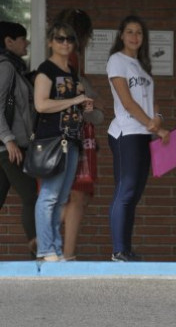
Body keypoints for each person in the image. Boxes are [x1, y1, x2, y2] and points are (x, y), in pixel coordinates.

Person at [106, 15, 169, 262]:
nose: (134, 37)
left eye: (139, 33)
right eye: (130, 32)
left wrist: (159, 118)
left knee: (134, 194)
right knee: (125, 189)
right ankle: (118, 250)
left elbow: (152, 101)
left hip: (144, 134)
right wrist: (155, 127)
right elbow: (127, 102)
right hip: (126, 133)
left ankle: (126, 249)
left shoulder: (142, 66)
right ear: (121, 35)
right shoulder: (116, 61)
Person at [33, 22, 94, 261]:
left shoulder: (71, 72)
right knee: (48, 196)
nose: (66, 43)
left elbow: (72, 105)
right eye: (60, 39)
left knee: (61, 198)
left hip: (72, 140)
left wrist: (83, 105)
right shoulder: (45, 70)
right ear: (50, 42)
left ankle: (56, 249)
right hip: (52, 141)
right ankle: (45, 248)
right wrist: (73, 100)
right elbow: (41, 105)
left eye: (70, 39)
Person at [55, 9, 105, 261]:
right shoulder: (71, 58)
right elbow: (78, 92)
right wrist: (91, 99)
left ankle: (46, 237)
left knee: (71, 194)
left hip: (59, 131)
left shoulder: (59, 57)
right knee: (78, 193)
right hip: (75, 131)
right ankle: (67, 252)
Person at [0, 21, 38, 257]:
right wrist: (9, 140)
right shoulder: (5, 67)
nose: (27, 43)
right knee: (31, 196)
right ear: (9, 42)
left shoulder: (15, 68)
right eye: (23, 38)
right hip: (8, 148)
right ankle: (40, 254)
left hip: (6, 146)